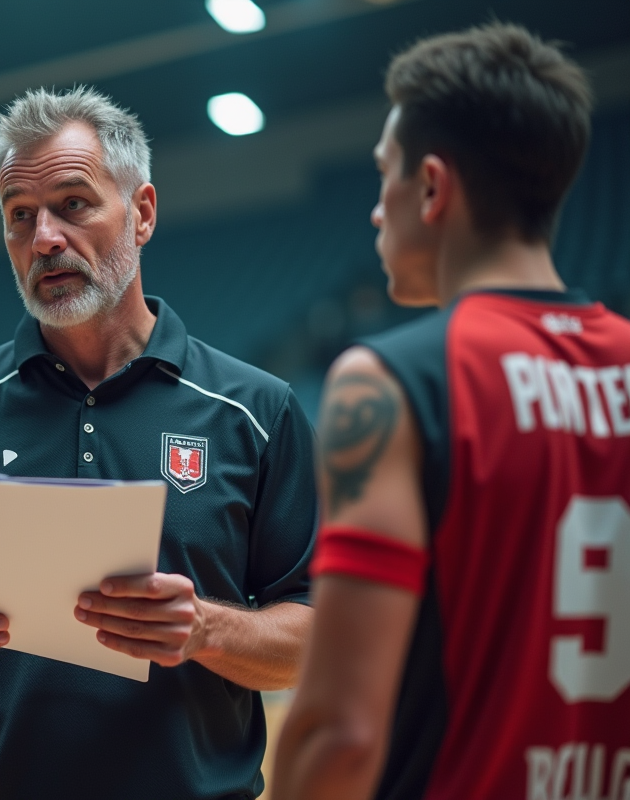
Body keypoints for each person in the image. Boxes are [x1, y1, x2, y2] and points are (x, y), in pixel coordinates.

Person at [0, 87, 317, 799]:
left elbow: (317, 639)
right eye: (20, 217)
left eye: (74, 205)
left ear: (142, 212)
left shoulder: (256, 412)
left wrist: (205, 630)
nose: (44, 238)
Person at [273, 23, 629, 800]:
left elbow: (341, 731)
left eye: (384, 177)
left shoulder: (389, 381)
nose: (375, 211)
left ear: (432, 187)